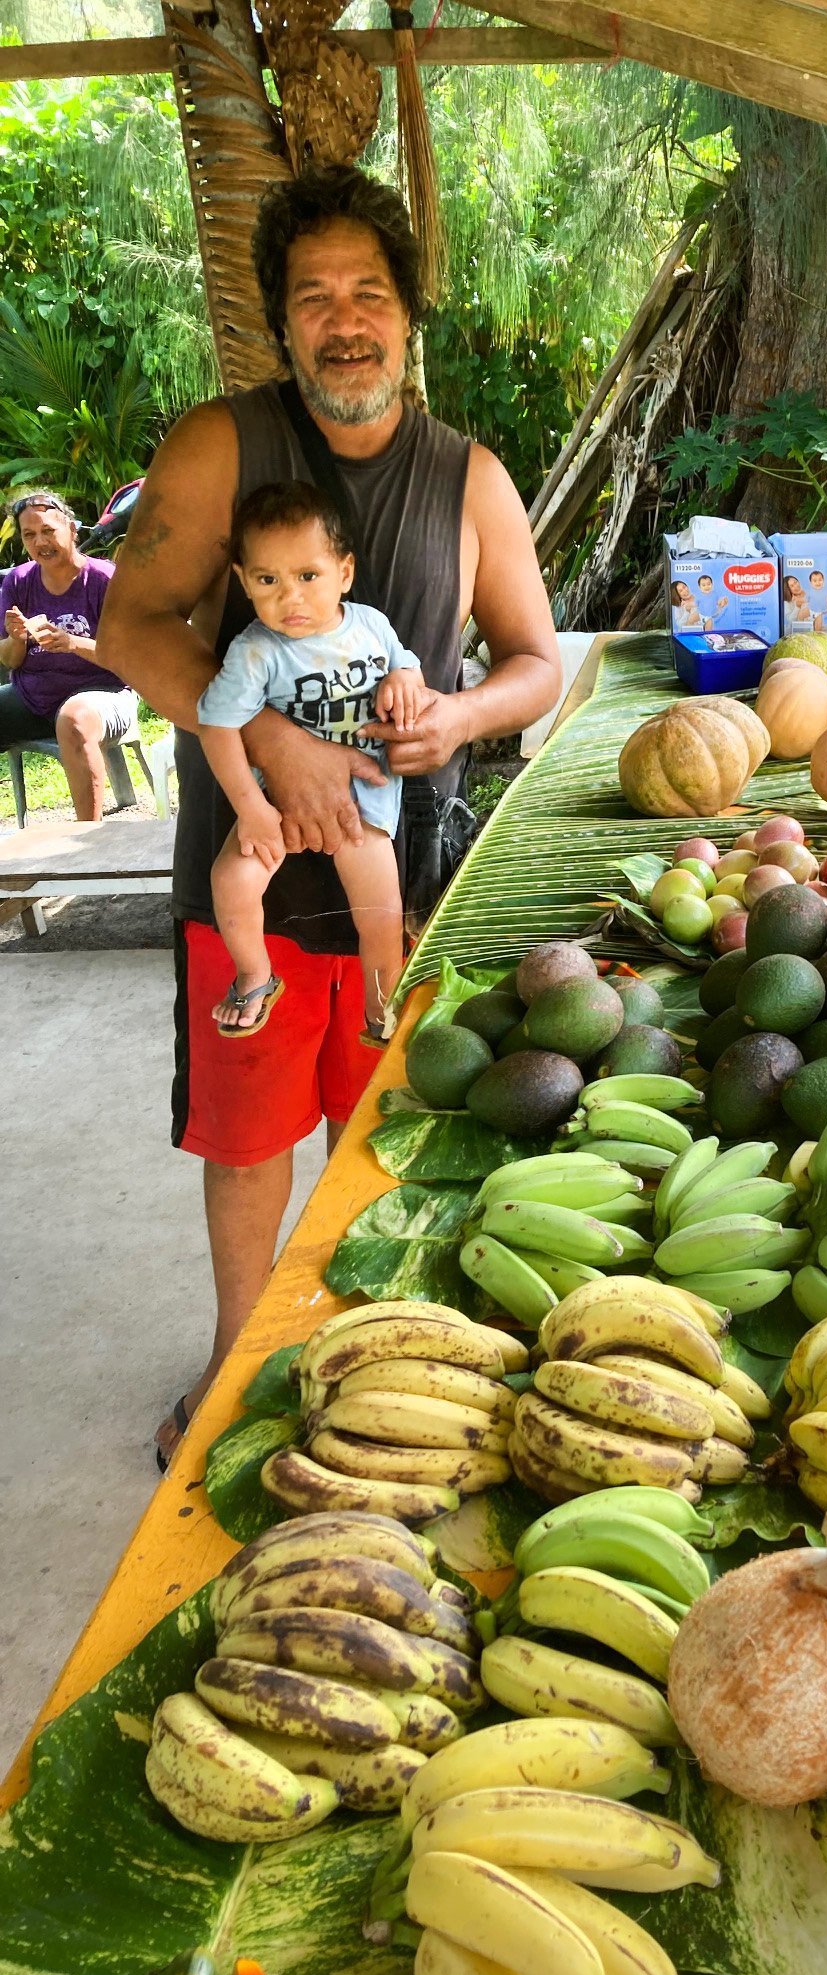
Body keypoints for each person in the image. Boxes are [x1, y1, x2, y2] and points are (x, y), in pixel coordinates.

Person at [96, 166, 560, 1469]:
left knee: (390, 1136)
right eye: (315, 297)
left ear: (411, 315)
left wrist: (459, 719)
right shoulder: (220, 444)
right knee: (246, 1143)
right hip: (245, 867)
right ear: (282, 325)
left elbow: (533, 658)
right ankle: (240, 1356)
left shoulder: (470, 476)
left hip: (404, 892)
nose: (344, 318)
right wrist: (272, 736)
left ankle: (379, 1361)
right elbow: (128, 624)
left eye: (369, 291)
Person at [200, 480, 426, 1039]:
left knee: (380, 911)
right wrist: (251, 810)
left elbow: (408, 664)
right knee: (230, 879)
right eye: (267, 580)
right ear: (242, 581)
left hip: (363, 803)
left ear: (344, 573)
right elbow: (217, 726)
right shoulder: (255, 650)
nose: (290, 597)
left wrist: (404, 678)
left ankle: (381, 1006)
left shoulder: (371, 625)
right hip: (277, 803)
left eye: (308, 576)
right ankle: (254, 975)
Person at [0, 491, 135, 821]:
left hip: (105, 697)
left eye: (48, 530)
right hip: (34, 697)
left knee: (73, 719)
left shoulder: (104, 579)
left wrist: (73, 643)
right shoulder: (18, 581)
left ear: (72, 530)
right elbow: (10, 661)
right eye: (30, 535)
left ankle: (87, 841)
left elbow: (131, 658)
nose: (40, 542)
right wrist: (17, 639)